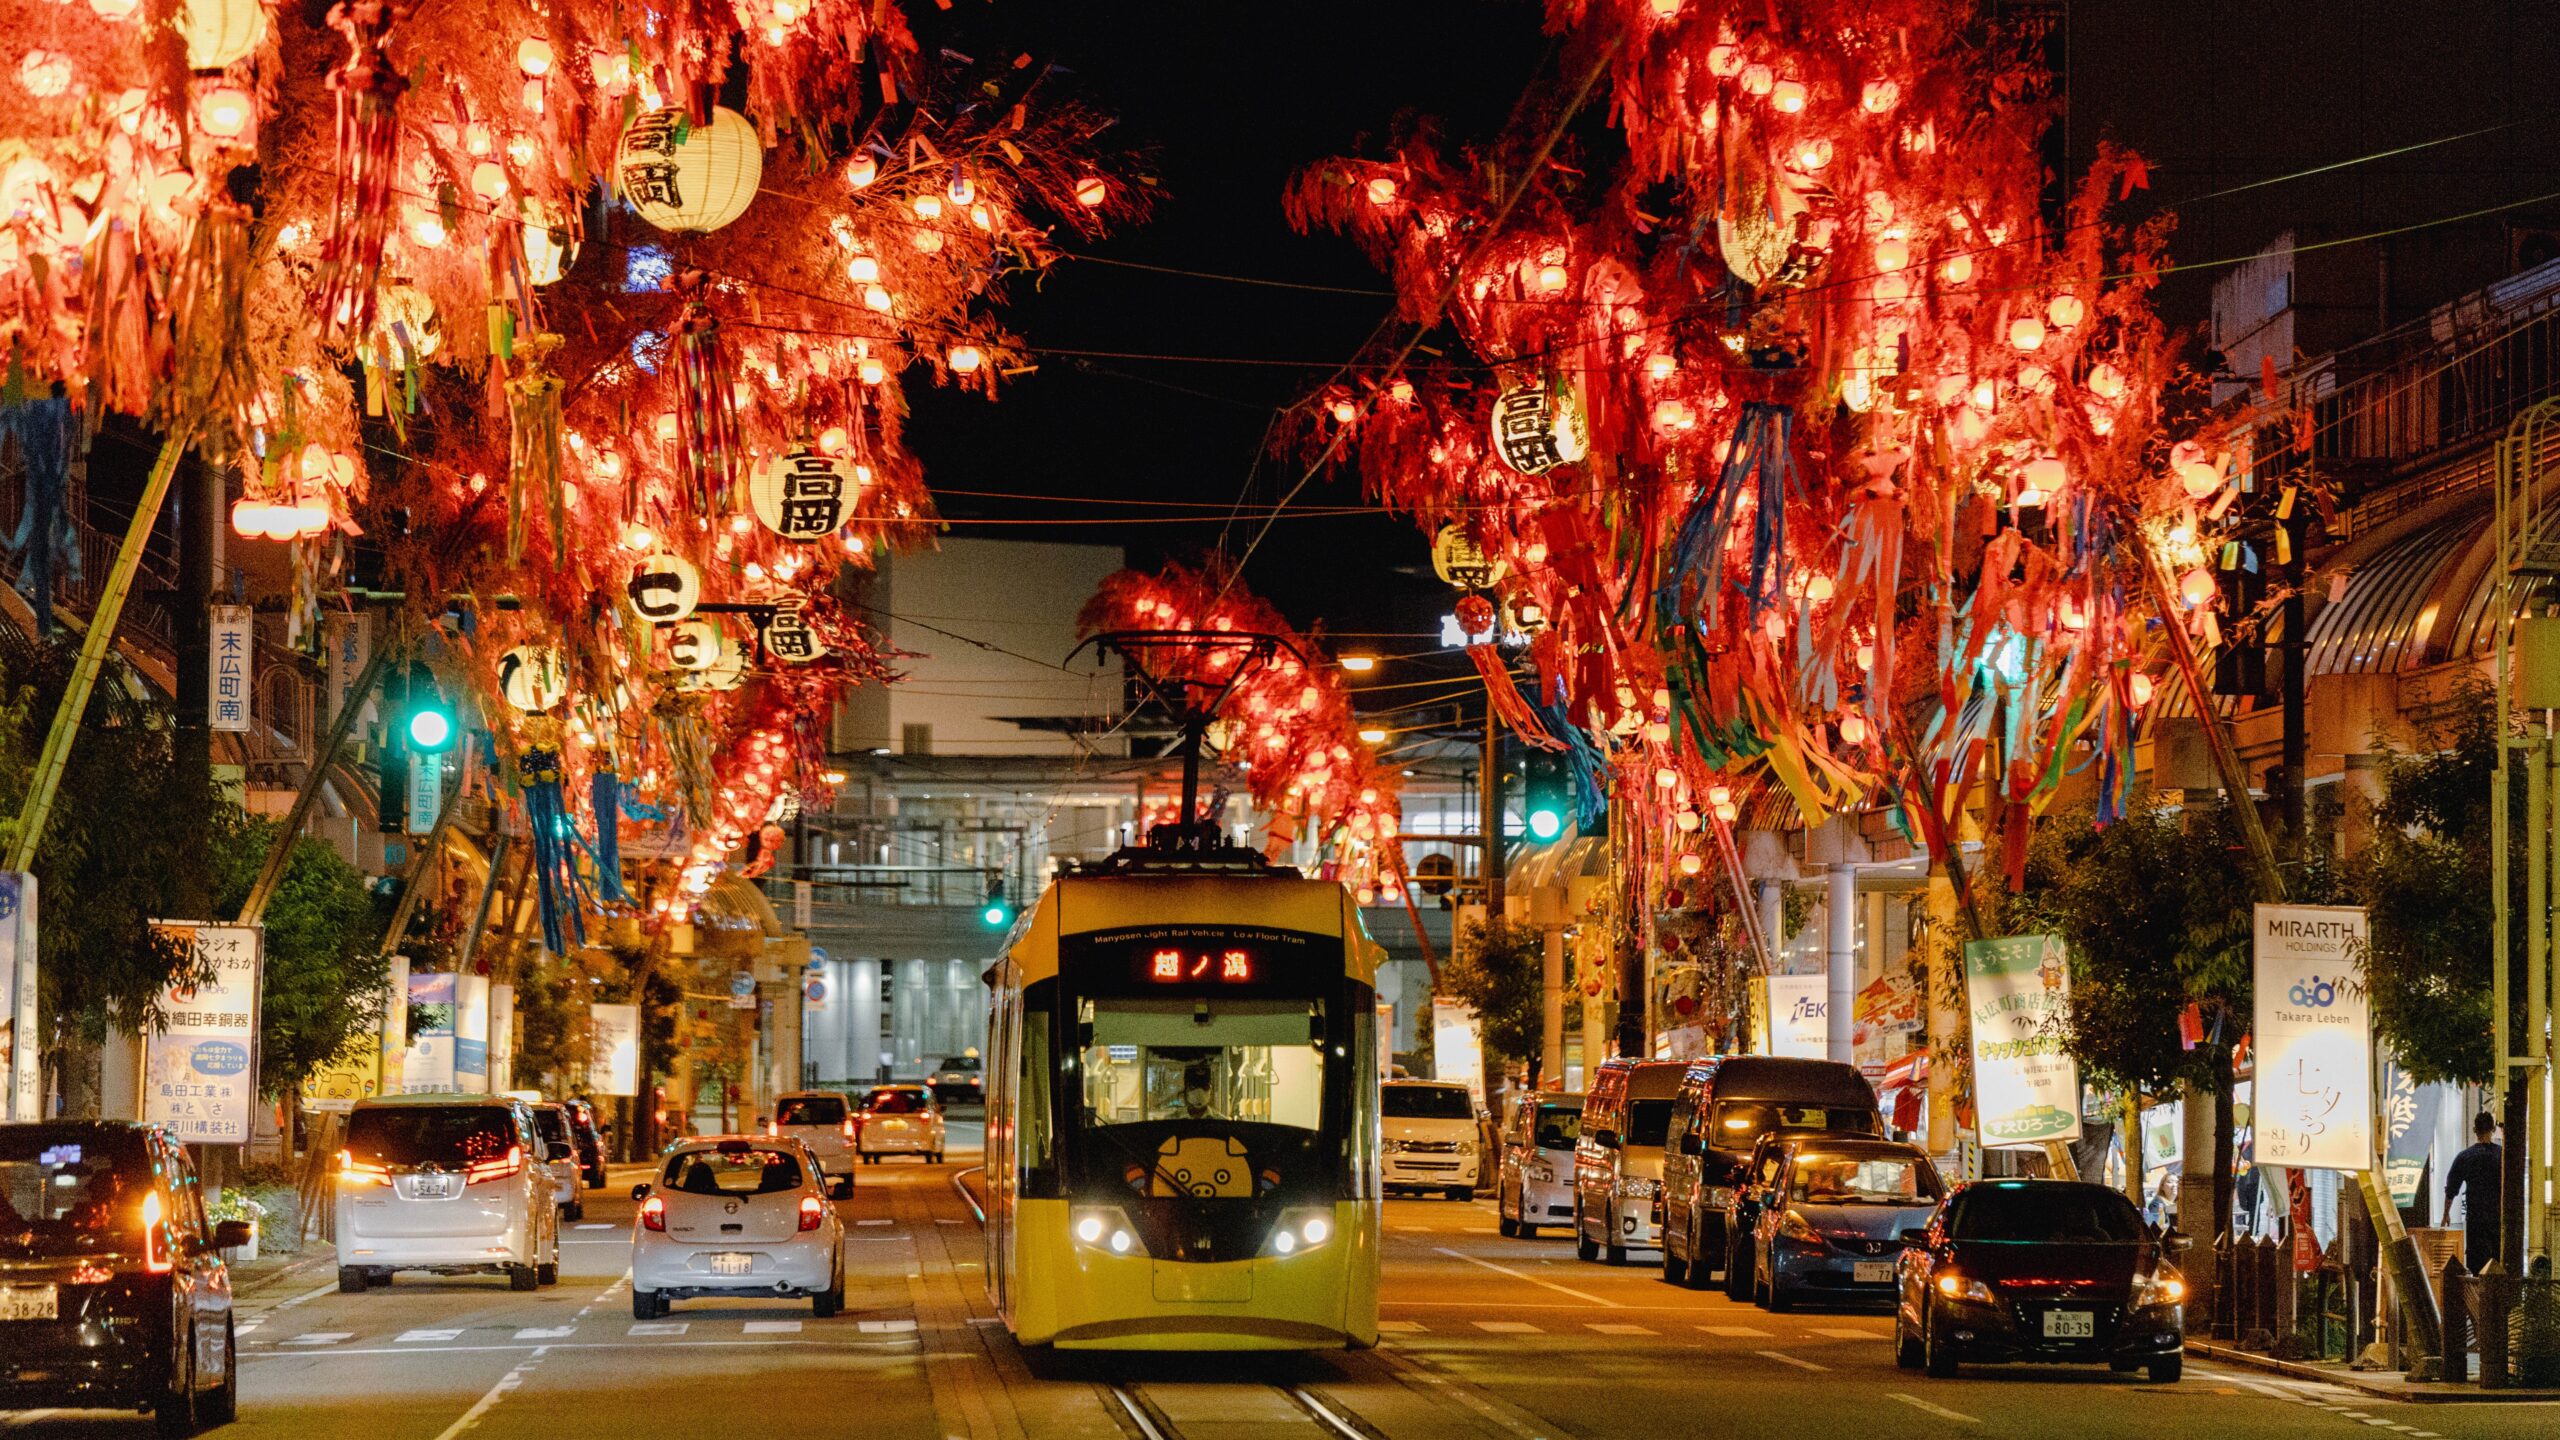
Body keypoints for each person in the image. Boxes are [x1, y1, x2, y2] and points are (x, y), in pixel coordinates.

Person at [2444, 1111, 2503, 1273]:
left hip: (2476, 1219)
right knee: (2499, 1263)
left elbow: (2451, 1188)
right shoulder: (2502, 1156)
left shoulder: (2465, 1157)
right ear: (2492, 1129)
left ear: (2474, 1130)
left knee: (2477, 1264)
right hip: (2499, 1218)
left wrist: (2445, 1214)